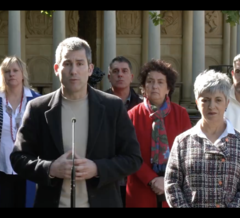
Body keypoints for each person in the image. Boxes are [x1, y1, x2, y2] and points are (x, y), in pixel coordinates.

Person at [10, 37, 143, 208]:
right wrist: (50, 168)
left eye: (80, 64)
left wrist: (97, 168)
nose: (74, 70)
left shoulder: (113, 107)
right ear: (57, 69)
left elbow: (133, 159)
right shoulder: (38, 108)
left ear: (90, 69)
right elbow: (18, 158)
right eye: (67, 64)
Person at [165, 69, 240, 208]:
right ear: (196, 102)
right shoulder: (182, 142)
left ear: (227, 103)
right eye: (205, 100)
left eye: (218, 100)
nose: (212, 106)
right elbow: (172, 184)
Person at [126, 59, 192, 208]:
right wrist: (151, 179)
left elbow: (188, 154)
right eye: (150, 81)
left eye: (160, 82)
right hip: (140, 189)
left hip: (174, 190)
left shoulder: (180, 114)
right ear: (143, 87)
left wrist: (167, 180)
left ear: (168, 88)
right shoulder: (132, 115)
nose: (155, 86)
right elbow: (129, 153)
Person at [0, 56, 40, 208]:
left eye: (15, 70)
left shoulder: (37, 100)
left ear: (23, 74)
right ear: (2, 75)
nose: (11, 74)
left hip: (28, 168)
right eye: (7, 71)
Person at [105, 56, 142, 207]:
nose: (120, 74)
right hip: (108, 176)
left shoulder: (142, 106)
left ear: (131, 77)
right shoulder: (98, 103)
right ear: (109, 77)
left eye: (124, 71)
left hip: (136, 177)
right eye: (116, 71)